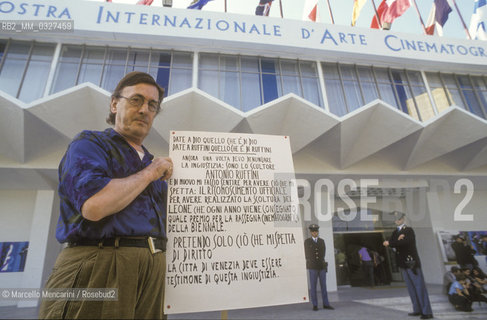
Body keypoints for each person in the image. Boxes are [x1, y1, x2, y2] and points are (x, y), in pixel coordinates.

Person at [38, 72, 173, 319]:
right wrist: (150, 173)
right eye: (136, 100)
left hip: (153, 270)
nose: (144, 110)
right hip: (99, 264)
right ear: (114, 104)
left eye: (152, 105)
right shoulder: (91, 143)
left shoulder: (157, 166)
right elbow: (95, 205)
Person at [383, 212, 433, 319]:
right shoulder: (395, 232)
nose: (397, 220)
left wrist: (393, 242)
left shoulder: (408, 230)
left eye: (399, 219)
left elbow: (403, 242)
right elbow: (390, 242)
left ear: (403, 219)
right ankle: (417, 309)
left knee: (419, 286)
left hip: (411, 262)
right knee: (411, 288)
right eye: (395, 219)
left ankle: (427, 311)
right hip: (402, 263)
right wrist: (396, 241)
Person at [304, 224, 334, 311]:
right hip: (312, 266)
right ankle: (315, 305)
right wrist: (312, 262)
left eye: (316, 231)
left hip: (321, 266)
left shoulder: (321, 241)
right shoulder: (307, 242)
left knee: (323, 286)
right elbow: (307, 254)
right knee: (313, 286)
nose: (314, 233)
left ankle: (326, 304)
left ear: (317, 232)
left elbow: (323, 253)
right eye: (313, 231)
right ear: (310, 232)